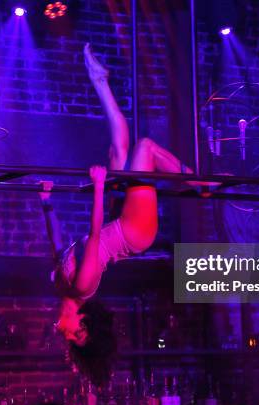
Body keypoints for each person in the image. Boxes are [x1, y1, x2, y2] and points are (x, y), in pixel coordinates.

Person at [38, 43, 200, 385]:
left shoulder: (61, 286)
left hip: (118, 218)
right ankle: (199, 183)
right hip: (133, 231)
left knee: (118, 151)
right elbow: (95, 235)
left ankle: (100, 81)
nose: (62, 332)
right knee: (145, 149)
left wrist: (46, 203)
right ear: (82, 327)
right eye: (71, 336)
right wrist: (98, 187)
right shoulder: (82, 287)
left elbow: (57, 245)